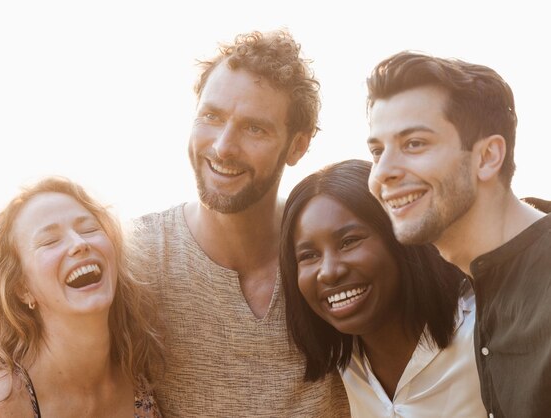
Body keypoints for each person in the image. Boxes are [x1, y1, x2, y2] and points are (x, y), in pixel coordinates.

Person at [132, 29, 349, 416]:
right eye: (211, 117)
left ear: (297, 146)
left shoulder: (336, 256)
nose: (223, 147)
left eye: (255, 128)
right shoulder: (136, 258)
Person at [366, 51, 551, 418]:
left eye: (414, 143)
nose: (382, 172)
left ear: (487, 157)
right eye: (376, 151)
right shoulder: (478, 283)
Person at [0, 177, 164, 417]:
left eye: (89, 229)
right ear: (22, 288)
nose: (79, 244)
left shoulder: (142, 377)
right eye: (50, 241)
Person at [280, 159, 485, 417]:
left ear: (401, 237)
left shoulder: (485, 332)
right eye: (309, 255)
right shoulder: (346, 365)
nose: (329, 271)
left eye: (349, 242)